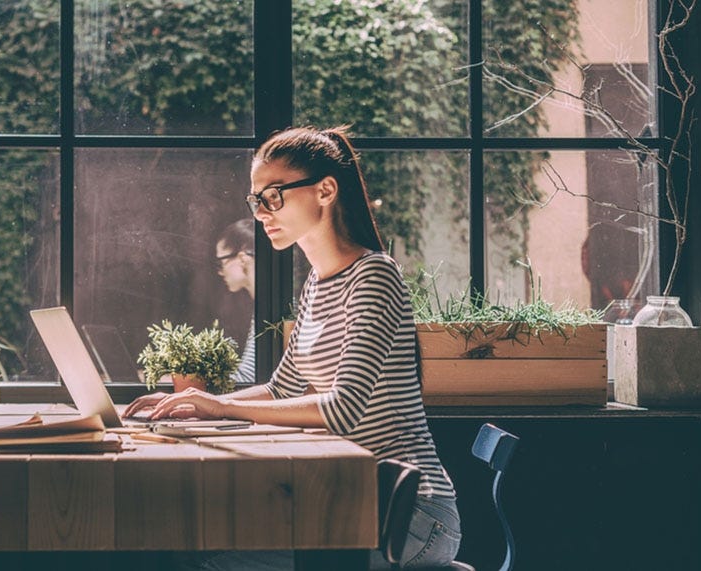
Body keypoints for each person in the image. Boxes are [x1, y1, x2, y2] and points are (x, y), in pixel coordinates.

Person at [124, 126, 461, 569]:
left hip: (410, 514)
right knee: (195, 544)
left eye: (274, 195)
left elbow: (342, 409)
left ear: (325, 190)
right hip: (352, 500)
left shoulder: (375, 276)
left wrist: (220, 408)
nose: (262, 212)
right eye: (256, 199)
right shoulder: (317, 285)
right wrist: (192, 403)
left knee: (210, 563)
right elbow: (284, 387)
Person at [215, 219, 256, 385]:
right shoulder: (263, 308)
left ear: (242, 258)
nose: (220, 272)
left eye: (221, 262)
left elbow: (249, 379)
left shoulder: (270, 312)